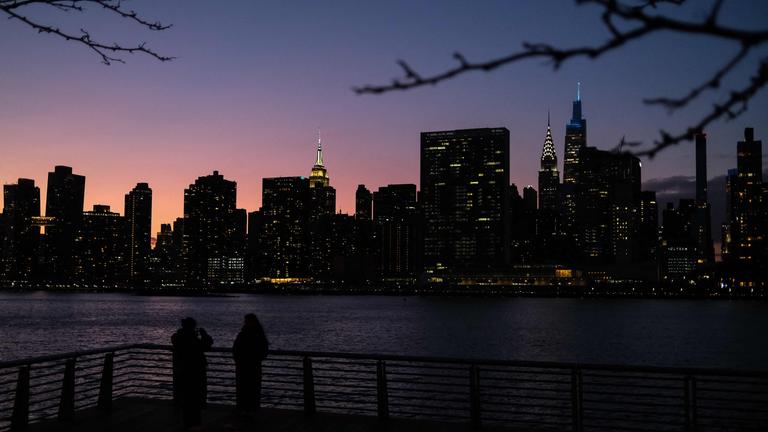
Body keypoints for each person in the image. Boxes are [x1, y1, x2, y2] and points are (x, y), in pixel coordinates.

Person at [172, 317, 213, 430]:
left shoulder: (178, 337)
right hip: (196, 372)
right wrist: (204, 334)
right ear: (193, 326)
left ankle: (188, 423)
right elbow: (208, 344)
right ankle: (195, 424)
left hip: (183, 372)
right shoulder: (193, 339)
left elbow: (175, 340)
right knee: (195, 399)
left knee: (186, 399)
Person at [232, 313, 269, 413]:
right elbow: (265, 349)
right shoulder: (259, 334)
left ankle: (243, 408)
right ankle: (252, 409)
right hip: (254, 365)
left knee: (243, 388)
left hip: (243, 365)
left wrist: (238, 360)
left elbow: (235, 349)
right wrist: (259, 358)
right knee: (253, 388)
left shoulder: (243, 334)